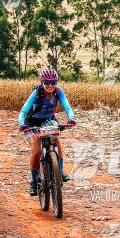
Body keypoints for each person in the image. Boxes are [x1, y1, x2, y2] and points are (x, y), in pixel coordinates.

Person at [18, 67, 76, 196]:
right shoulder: (36, 93)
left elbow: (67, 107)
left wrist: (71, 118)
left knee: (56, 138)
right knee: (37, 150)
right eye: (47, 83)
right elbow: (23, 111)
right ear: (41, 82)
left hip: (49, 120)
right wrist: (22, 124)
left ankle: (59, 171)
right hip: (32, 123)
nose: (50, 86)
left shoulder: (59, 92)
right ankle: (33, 181)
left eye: (53, 83)